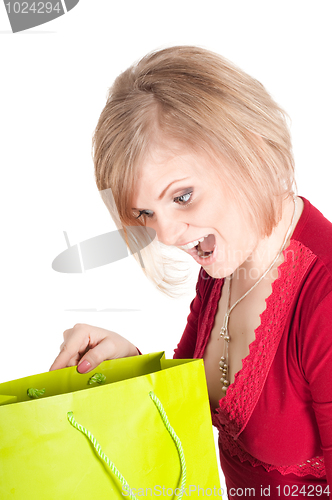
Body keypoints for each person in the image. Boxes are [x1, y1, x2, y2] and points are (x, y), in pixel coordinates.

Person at [50, 46, 332, 499]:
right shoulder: (225, 261)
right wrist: (130, 363)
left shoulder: (324, 299)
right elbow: (188, 419)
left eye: (181, 196)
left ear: (249, 146)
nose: (164, 235)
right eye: (145, 212)